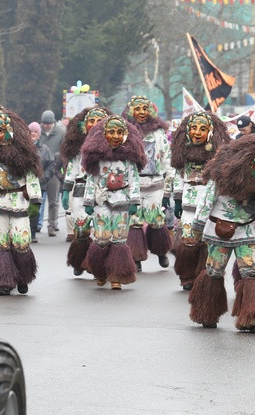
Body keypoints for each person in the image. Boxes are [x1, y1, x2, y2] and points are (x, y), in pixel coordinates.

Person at [186, 134, 255, 332]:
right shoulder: (220, 176)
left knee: (251, 271)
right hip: (220, 230)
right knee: (214, 270)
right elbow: (206, 201)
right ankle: (207, 312)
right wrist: (198, 226)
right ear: (250, 161)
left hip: (248, 230)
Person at [0, 105, 44, 296]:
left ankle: (22, 276)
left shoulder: (23, 154)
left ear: (9, 131)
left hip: (19, 202)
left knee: (21, 242)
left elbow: (32, 177)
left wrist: (35, 201)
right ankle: (2, 281)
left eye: (0, 130)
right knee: (0, 243)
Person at [170, 110, 232, 290]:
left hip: (211, 205)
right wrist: (177, 199)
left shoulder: (220, 156)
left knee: (207, 242)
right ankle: (187, 275)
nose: (197, 132)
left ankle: (204, 275)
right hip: (189, 204)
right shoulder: (182, 153)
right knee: (188, 241)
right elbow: (178, 176)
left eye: (202, 129)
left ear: (211, 133)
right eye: (194, 128)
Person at [82, 115, 146, 290]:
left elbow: (134, 181)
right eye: (111, 132)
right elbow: (90, 181)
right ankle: (100, 271)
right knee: (101, 238)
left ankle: (116, 275)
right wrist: (88, 202)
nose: (116, 136)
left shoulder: (129, 160)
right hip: (102, 201)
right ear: (103, 135)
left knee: (119, 240)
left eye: (119, 132)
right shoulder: (97, 158)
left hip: (122, 202)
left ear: (126, 135)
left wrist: (134, 201)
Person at [123, 96, 174, 270]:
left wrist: (169, 187)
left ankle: (161, 251)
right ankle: (136, 257)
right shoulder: (125, 133)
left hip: (155, 183)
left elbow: (168, 158)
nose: (142, 113)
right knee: (134, 221)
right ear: (132, 111)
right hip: (134, 183)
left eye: (145, 109)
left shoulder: (159, 133)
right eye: (138, 109)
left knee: (156, 219)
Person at [59, 106, 111, 276]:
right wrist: (66, 190)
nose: (95, 124)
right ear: (84, 125)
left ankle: (99, 265)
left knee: (102, 233)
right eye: (92, 121)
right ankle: (79, 261)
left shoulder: (114, 145)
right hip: (80, 190)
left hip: (104, 192)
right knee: (81, 230)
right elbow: (72, 168)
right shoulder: (77, 146)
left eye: (99, 121)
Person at [37, 110, 66, 237]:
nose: (46, 126)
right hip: (40, 169)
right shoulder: (38, 132)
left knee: (53, 200)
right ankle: (36, 224)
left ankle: (52, 224)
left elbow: (64, 150)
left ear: (53, 123)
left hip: (54, 170)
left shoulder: (61, 133)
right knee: (38, 199)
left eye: (48, 124)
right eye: (44, 123)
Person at [28, 121, 58, 242]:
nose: (33, 134)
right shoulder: (22, 148)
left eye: (36, 132)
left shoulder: (45, 149)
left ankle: (33, 233)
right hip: (24, 185)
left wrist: (44, 177)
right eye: (31, 131)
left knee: (35, 209)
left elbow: (52, 165)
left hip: (39, 184)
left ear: (39, 134)